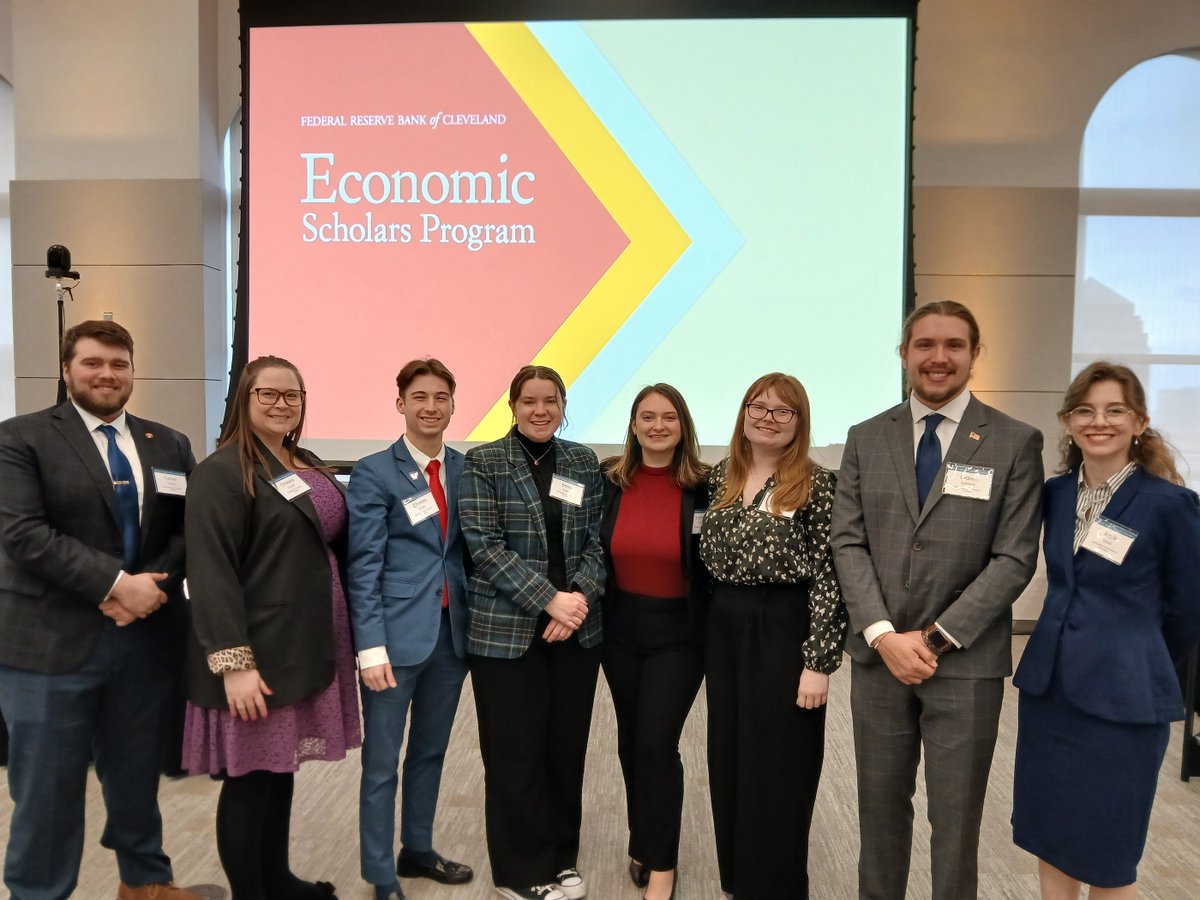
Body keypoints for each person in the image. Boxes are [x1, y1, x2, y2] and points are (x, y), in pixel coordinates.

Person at [830, 300, 1044, 900]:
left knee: (955, 823)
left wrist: (932, 639)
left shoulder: (1014, 441)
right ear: (904, 354)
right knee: (878, 814)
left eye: (954, 345)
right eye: (925, 344)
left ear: (975, 354)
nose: (938, 357)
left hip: (965, 664)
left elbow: (1014, 558)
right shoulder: (867, 437)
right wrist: (881, 634)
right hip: (879, 662)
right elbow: (848, 541)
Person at [0, 320, 199, 900]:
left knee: (136, 776)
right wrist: (116, 585)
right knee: (48, 791)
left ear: (133, 371)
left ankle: (146, 883)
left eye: (119, 364)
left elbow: (189, 530)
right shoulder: (20, 438)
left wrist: (151, 589)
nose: (107, 374)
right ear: (67, 370)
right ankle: (38, 893)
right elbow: (23, 534)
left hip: (144, 642)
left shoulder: (169, 442)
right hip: (49, 648)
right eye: (93, 363)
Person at [1012, 361, 1200, 900]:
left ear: (1139, 422)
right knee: (1050, 832)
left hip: (1124, 701)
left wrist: (1140, 658)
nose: (1099, 421)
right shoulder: (1055, 494)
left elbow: (1189, 608)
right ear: (1068, 422)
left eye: (1115, 410)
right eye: (1085, 410)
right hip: (1050, 693)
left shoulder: (1170, 503)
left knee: (1108, 851)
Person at [182, 355, 361, 900]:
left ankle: (276, 880)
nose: (282, 404)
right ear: (245, 399)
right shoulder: (222, 471)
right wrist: (234, 663)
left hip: (303, 644)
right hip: (257, 651)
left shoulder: (301, 460)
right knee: (249, 780)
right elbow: (210, 571)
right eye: (269, 394)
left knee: (278, 769)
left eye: (292, 395)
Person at [458, 365, 605, 900]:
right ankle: (519, 871)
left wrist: (577, 601)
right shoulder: (485, 461)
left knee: (565, 750)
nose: (540, 411)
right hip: (506, 632)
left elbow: (598, 540)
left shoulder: (583, 461)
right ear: (513, 406)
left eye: (550, 401)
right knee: (514, 754)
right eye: (529, 401)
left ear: (563, 406)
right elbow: (484, 544)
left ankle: (562, 856)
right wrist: (549, 600)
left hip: (576, 632)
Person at [699, 372, 847, 900]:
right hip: (725, 629)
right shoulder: (722, 476)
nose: (767, 418)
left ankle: (777, 886)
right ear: (743, 413)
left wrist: (818, 662)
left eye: (783, 410)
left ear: (799, 422)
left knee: (781, 764)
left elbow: (831, 573)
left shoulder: (818, 483)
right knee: (730, 756)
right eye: (757, 407)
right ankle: (739, 880)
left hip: (784, 630)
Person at [346, 358, 474, 900]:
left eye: (440, 397)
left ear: (453, 405)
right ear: (401, 403)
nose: (430, 407)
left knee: (430, 752)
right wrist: (369, 646)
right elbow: (363, 564)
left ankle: (417, 849)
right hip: (393, 641)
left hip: (450, 635)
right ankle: (380, 874)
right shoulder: (375, 471)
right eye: (419, 397)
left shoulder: (466, 469)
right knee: (381, 764)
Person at [599, 384, 710, 900]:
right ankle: (642, 840)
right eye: (647, 416)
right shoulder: (610, 481)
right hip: (620, 632)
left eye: (668, 417)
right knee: (629, 741)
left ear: (683, 425)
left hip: (680, 637)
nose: (658, 426)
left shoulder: (707, 486)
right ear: (633, 424)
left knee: (656, 743)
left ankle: (662, 862)